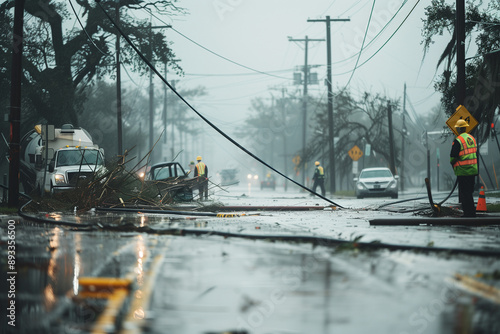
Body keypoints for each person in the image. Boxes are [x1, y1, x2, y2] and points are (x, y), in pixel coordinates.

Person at [450, 119, 478, 217]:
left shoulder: (458, 140)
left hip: (463, 170)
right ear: (465, 128)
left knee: (465, 193)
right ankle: (472, 212)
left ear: (458, 129)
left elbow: (453, 156)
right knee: (469, 192)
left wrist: (452, 164)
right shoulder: (472, 138)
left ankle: (468, 214)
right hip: (472, 170)